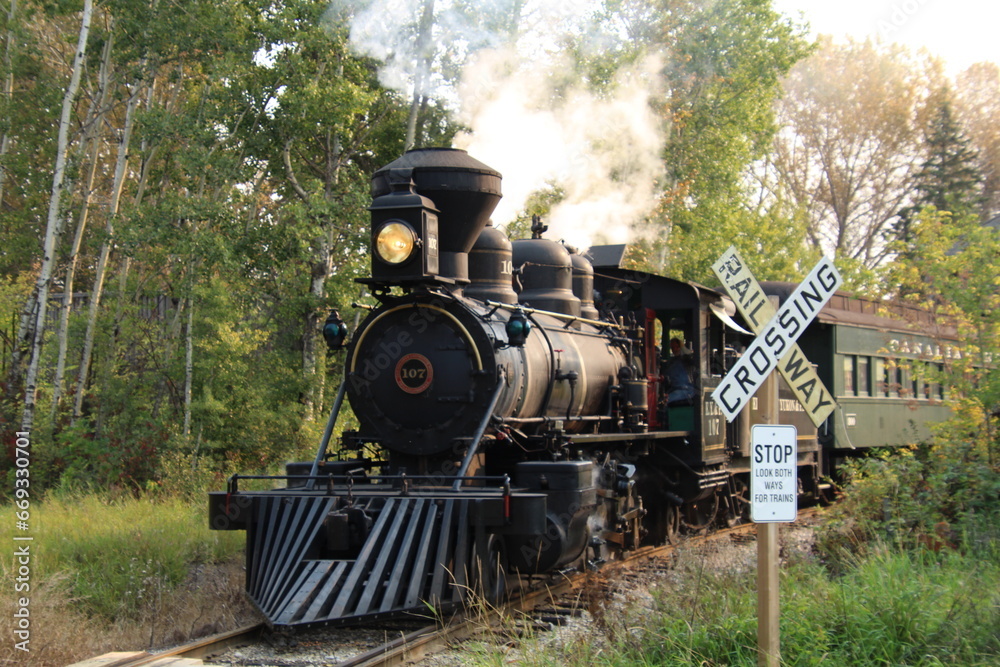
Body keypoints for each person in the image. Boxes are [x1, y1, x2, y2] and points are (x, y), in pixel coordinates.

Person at [663, 337, 696, 404]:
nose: (674, 349)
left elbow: (692, 356)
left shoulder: (686, 359)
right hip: (674, 390)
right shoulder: (671, 362)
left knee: (664, 402)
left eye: (677, 347)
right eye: (672, 347)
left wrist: (683, 347)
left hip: (686, 390)